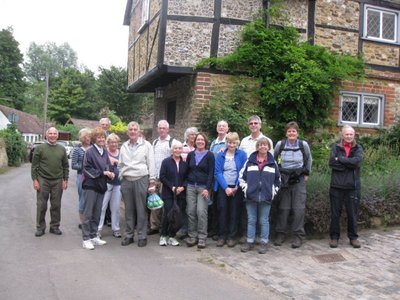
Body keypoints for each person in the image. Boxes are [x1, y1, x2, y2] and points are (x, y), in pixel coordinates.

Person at [273, 121, 312, 249]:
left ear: (297, 133)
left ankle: (298, 236)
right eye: (289, 131)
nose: (291, 133)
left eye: (294, 131)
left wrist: (307, 173)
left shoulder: (303, 145)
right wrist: (277, 175)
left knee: (298, 209)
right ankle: (280, 234)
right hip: (284, 179)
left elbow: (309, 159)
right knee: (283, 208)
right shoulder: (280, 144)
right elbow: (274, 159)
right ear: (286, 133)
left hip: (298, 179)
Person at [239, 137, 280, 254]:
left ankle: (264, 242)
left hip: (266, 197)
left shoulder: (273, 163)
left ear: (268, 147)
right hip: (251, 196)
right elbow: (242, 177)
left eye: (265, 145)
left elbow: (278, 180)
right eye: (260, 144)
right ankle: (250, 241)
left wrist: (273, 192)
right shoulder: (250, 161)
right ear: (257, 147)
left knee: (264, 220)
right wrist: (246, 189)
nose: (263, 146)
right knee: (251, 220)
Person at [119, 122, 156, 247]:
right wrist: (121, 176)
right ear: (127, 131)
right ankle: (129, 235)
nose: (133, 131)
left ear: (139, 131)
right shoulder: (124, 146)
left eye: (135, 129)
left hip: (141, 178)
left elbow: (151, 163)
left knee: (141, 209)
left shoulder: (147, 145)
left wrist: (152, 181)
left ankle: (142, 235)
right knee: (128, 209)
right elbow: (120, 164)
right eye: (130, 129)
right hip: (126, 180)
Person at [328, 125, 363, 249]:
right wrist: (348, 163)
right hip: (336, 186)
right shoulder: (336, 147)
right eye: (346, 134)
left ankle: (353, 238)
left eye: (351, 134)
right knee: (335, 214)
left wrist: (341, 159)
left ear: (354, 135)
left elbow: (357, 162)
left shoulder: (358, 148)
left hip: (352, 187)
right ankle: (334, 237)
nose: (348, 136)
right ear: (342, 135)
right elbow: (332, 162)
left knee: (352, 214)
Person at [31, 127, 69, 237]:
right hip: (43, 179)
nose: (52, 136)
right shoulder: (40, 148)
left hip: (57, 180)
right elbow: (34, 166)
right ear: (46, 135)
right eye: (50, 134)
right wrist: (35, 180)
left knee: (56, 205)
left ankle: (55, 226)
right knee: (41, 205)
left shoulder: (62, 149)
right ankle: (40, 227)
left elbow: (65, 166)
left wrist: (65, 179)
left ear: (57, 136)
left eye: (54, 134)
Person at [81, 127, 114, 250]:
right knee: (88, 213)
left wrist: (111, 173)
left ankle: (94, 236)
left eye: (103, 137)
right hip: (90, 186)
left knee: (97, 213)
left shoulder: (104, 152)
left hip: (101, 186)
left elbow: (108, 166)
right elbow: (86, 169)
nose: (101, 139)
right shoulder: (89, 151)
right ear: (95, 138)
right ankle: (86, 239)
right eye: (99, 137)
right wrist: (102, 173)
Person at [214, 132, 247, 248]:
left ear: (237, 143)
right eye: (229, 142)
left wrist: (236, 186)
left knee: (234, 212)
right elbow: (217, 172)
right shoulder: (220, 155)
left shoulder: (242, 155)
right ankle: (222, 236)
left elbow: (243, 171)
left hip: (237, 188)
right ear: (226, 143)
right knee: (222, 211)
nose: (231, 145)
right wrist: (226, 188)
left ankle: (231, 237)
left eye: (233, 142)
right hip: (223, 187)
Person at [185, 133, 215, 249]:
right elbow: (187, 170)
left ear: (205, 142)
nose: (200, 141)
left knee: (201, 212)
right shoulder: (191, 154)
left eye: (202, 140)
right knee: (190, 211)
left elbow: (211, 173)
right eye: (198, 139)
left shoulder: (210, 155)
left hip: (203, 188)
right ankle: (192, 236)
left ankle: (202, 237)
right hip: (191, 186)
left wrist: (207, 188)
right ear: (195, 141)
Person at [149, 120, 177, 235]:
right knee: (155, 203)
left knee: (166, 203)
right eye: (159, 128)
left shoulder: (172, 142)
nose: (161, 130)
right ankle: (154, 226)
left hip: (167, 179)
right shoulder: (154, 142)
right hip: (155, 177)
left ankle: (165, 226)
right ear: (157, 129)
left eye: (163, 128)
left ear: (168, 129)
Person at [159, 140, 188, 246]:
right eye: (175, 148)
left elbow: (186, 178)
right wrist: (172, 186)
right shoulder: (166, 162)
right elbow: (162, 176)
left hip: (180, 194)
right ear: (172, 149)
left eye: (180, 148)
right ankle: (163, 235)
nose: (177, 150)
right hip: (168, 193)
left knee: (177, 216)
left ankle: (172, 236)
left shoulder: (184, 164)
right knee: (168, 214)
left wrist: (182, 187)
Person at [97, 133, 122, 238]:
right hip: (106, 183)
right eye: (112, 142)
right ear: (108, 143)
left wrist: (118, 162)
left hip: (118, 183)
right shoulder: (104, 153)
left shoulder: (121, 153)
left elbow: (123, 165)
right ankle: (98, 229)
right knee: (102, 207)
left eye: (116, 142)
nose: (114, 144)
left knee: (115, 208)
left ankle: (116, 229)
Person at [209, 120, 229, 241]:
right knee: (214, 205)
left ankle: (223, 232)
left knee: (223, 207)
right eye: (219, 126)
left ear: (227, 129)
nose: (221, 128)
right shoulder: (213, 143)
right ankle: (214, 229)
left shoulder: (229, 142)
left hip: (225, 180)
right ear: (217, 129)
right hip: (213, 179)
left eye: (224, 126)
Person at [71, 127, 92, 229]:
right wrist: (84, 166)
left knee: (91, 200)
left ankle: (89, 220)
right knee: (83, 199)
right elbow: (73, 165)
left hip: (92, 177)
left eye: (90, 136)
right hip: (82, 176)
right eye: (87, 136)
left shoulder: (93, 148)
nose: (89, 138)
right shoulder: (77, 150)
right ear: (83, 138)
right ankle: (83, 222)